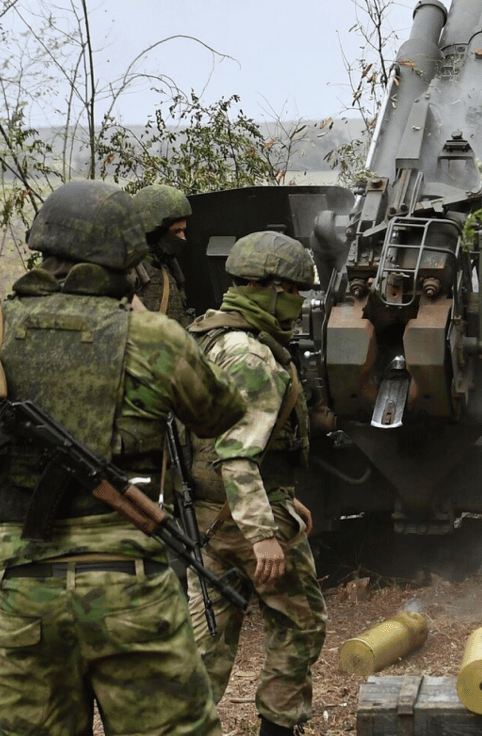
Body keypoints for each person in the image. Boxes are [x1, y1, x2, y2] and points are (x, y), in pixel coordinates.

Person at [0, 179, 246, 736]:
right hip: (131, 585)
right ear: (127, 258)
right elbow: (220, 414)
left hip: (22, 590)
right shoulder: (154, 338)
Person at [185, 230, 327, 736]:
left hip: (202, 519)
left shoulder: (207, 336)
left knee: (208, 642)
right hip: (242, 520)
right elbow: (238, 456)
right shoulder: (253, 357)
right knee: (299, 625)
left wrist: (285, 500)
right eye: (296, 292)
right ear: (270, 289)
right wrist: (264, 531)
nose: (300, 303)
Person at [133, 183, 194, 325]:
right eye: (176, 231)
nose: (183, 237)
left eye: (184, 230)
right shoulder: (132, 272)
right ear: (155, 233)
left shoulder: (166, 267)